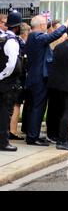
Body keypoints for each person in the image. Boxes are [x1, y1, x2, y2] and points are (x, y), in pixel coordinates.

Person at [25, 14, 68, 146]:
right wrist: (66, 23)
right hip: (39, 78)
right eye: (46, 24)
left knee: (34, 108)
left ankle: (32, 134)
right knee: (38, 108)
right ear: (42, 26)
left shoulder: (33, 37)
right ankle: (32, 137)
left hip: (34, 77)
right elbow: (53, 36)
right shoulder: (36, 36)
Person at [0, 11, 23, 151]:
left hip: (3, 81)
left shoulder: (3, 37)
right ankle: (3, 142)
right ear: (17, 27)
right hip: (7, 82)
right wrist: (2, 75)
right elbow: (11, 64)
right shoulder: (12, 41)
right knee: (5, 112)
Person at [9, 22, 30, 141]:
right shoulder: (21, 44)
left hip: (14, 78)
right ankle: (13, 131)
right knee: (16, 104)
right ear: (25, 33)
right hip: (19, 78)